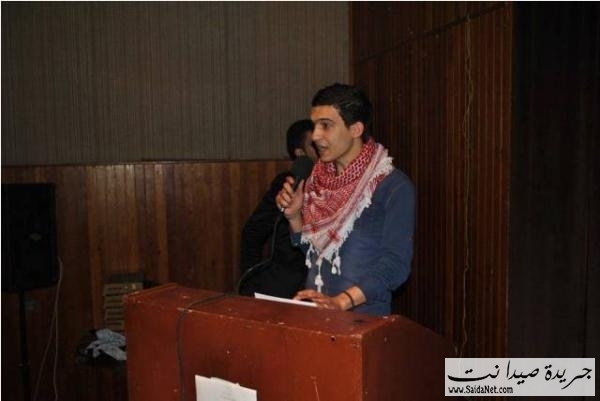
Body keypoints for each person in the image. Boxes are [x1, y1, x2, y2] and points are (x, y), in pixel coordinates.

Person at [276, 83, 415, 316]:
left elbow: (395, 266)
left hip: (363, 321)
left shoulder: (392, 186)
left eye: (326, 125)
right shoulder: (317, 181)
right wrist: (294, 217)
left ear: (355, 129)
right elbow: (313, 254)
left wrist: (341, 302)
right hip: (318, 316)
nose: (315, 136)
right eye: (315, 125)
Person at [239, 119, 318, 298]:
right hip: (286, 285)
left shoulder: (334, 184)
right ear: (300, 154)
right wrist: (249, 283)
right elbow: (253, 231)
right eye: (314, 145)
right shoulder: (286, 185)